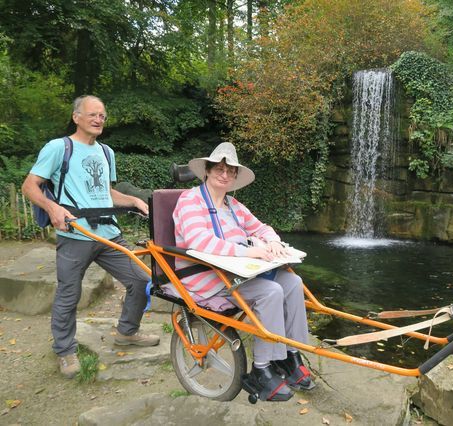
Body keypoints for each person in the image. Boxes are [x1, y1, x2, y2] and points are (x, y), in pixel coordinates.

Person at [22, 95, 160, 379]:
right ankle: (65, 350)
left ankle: (126, 333)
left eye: (102, 116)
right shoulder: (59, 148)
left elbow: (106, 193)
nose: (99, 119)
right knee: (68, 294)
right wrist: (52, 207)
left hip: (109, 234)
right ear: (76, 117)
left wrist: (133, 201)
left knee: (141, 280)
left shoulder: (107, 152)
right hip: (75, 234)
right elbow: (29, 186)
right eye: (93, 114)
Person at [172, 142, 315, 402]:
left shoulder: (233, 205)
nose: (225, 174)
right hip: (205, 275)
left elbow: (262, 227)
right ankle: (261, 368)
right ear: (207, 170)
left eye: (230, 171)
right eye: (219, 168)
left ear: (235, 176)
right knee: (271, 291)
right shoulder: (189, 200)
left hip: (235, 271)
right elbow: (197, 240)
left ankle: (290, 355)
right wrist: (248, 252)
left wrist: (271, 241)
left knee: (293, 282)